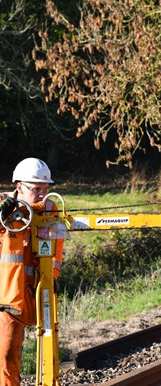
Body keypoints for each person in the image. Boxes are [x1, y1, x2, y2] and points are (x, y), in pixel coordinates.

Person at [0, 158, 64, 386]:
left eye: (46, 189)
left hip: (31, 294)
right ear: (19, 187)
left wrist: (50, 279)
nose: (42, 195)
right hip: (6, 294)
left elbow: (56, 250)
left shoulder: (50, 209)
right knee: (5, 357)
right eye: (36, 189)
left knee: (9, 356)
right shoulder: (3, 207)